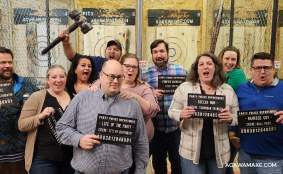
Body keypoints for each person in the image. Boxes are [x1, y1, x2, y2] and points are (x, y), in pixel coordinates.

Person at [56, 60, 149, 174]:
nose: (115, 81)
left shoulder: (132, 105)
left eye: (120, 77)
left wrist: (140, 171)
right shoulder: (81, 99)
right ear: (101, 75)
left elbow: (141, 141)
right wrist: (79, 139)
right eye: (111, 76)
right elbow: (61, 127)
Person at [168, 52, 239, 174]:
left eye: (209, 64)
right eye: (201, 64)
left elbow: (237, 117)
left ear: (216, 68)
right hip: (190, 151)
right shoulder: (184, 87)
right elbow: (171, 111)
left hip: (219, 151)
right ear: (197, 69)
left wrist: (230, 119)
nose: (205, 67)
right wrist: (180, 114)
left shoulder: (227, 90)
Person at [0, 47, 39, 174]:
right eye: (2, 63)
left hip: (21, 155)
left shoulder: (25, 85)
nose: (7, 65)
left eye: (10, 62)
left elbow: (43, 104)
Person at [141, 39, 188, 174]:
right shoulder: (145, 75)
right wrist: (151, 94)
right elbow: (141, 99)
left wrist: (185, 119)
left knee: (178, 166)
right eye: (155, 52)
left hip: (176, 129)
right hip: (157, 131)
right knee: (159, 166)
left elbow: (190, 95)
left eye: (161, 51)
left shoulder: (181, 71)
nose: (158, 55)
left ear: (168, 52)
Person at [18, 65, 73, 174]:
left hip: (70, 159)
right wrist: (40, 116)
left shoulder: (74, 98)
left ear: (66, 79)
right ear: (47, 80)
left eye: (62, 76)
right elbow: (22, 125)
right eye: (54, 77)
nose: (58, 80)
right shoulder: (37, 97)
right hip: (44, 159)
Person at [236, 52, 283, 174]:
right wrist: (232, 135)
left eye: (266, 68)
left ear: (273, 69)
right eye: (257, 68)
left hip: (273, 157)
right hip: (245, 153)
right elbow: (233, 112)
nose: (262, 72)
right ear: (251, 70)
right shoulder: (241, 88)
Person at [218, 46, 246, 174]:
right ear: (221, 58)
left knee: (226, 164)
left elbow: (222, 95)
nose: (230, 62)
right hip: (219, 124)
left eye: (233, 59)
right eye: (227, 58)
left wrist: (232, 131)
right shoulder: (218, 73)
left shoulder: (237, 74)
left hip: (231, 125)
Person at [58, 29, 122, 75]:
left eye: (116, 50)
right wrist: (65, 42)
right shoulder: (97, 61)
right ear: (105, 52)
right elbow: (74, 57)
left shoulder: (125, 67)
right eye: (109, 49)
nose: (112, 51)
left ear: (121, 54)